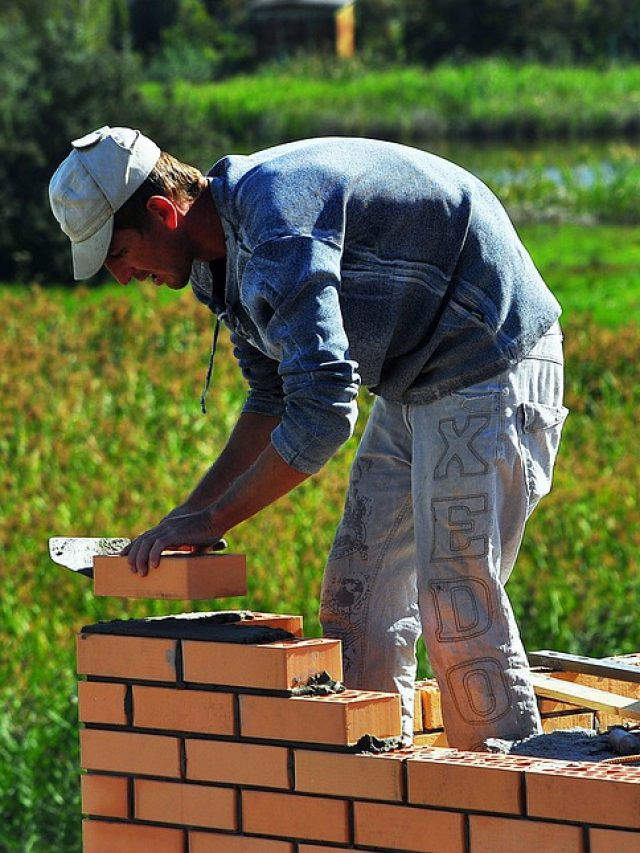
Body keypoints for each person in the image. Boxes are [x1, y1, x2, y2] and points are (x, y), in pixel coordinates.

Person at [49, 126, 568, 749]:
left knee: (456, 598)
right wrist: (185, 517)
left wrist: (214, 518)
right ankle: (380, 793)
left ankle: (508, 806)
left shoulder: (276, 227)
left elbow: (323, 412)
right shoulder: (222, 264)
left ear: (164, 212)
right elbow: (274, 398)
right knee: (357, 598)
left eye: (117, 255)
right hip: (416, 373)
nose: (123, 276)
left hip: (488, 350)